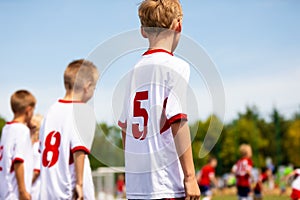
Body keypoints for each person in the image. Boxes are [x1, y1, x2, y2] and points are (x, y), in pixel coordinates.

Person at [118, 0, 200, 199]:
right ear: (178, 25)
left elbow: (124, 129)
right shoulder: (176, 66)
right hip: (166, 185)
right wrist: (189, 176)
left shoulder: (133, 71)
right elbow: (177, 121)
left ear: (143, 31)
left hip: (138, 187)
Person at [39, 59, 99, 199]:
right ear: (87, 86)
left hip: (48, 191)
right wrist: (79, 184)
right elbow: (79, 150)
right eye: (94, 88)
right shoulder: (82, 111)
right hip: (69, 191)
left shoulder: (51, 111)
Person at [0, 90, 36, 200]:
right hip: (15, 193)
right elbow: (18, 161)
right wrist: (22, 191)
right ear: (28, 111)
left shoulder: (6, 129)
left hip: (5, 190)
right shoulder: (22, 130)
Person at [29, 114, 43, 200]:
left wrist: (23, 187)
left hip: (35, 192)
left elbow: (36, 171)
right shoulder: (32, 145)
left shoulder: (38, 146)